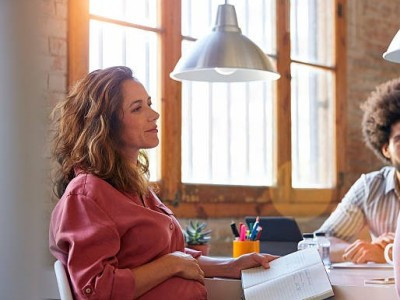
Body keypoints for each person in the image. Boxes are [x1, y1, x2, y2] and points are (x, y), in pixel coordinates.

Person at [49, 66, 277, 300]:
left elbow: (171, 255)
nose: (154, 114)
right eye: (137, 108)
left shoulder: (132, 185)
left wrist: (231, 266)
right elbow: (95, 290)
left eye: (149, 103)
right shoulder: (87, 195)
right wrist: (171, 264)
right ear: (105, 125)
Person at [317, 78, 400, 263]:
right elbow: (319, 243)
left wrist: (389, 254)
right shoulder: (371, 187)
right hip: (381, 289)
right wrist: (364, 250)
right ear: (385, 148)